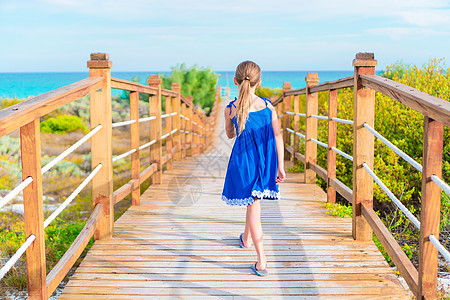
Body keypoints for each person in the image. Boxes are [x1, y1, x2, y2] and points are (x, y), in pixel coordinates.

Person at [221, 60, 286, 276]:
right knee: (253, 204)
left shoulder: (230, 108)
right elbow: (278, 137)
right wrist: (281, 166)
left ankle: (253, 248)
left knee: (252, 203)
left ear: (235, 81)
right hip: (264, 163)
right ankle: (259, 256)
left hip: (243, 163)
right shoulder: (269, 107)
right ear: (259, 83)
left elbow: (230, 134)